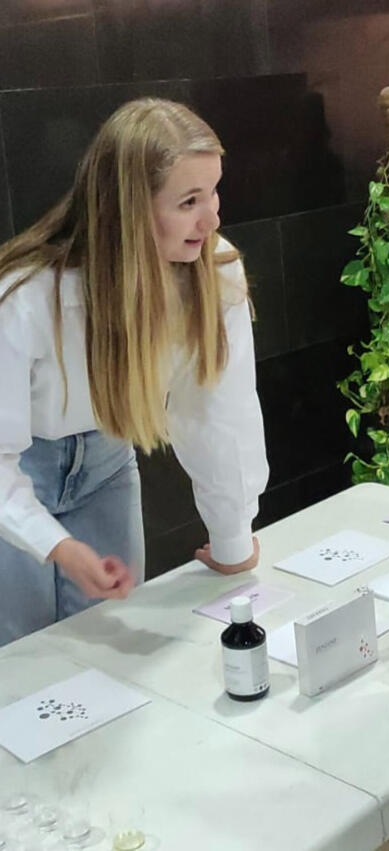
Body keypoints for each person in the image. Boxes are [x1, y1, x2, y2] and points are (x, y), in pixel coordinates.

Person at [0, 98, 269, 646]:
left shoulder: (215, 273)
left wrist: (232, 539)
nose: (212, 217)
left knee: (112, 654)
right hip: (16, 475)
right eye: (189, 201)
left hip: (107, 466)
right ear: (125, 208)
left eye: (213, 192)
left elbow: (221, 414)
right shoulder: (26, 297)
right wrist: (56, 545)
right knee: (19, 666)